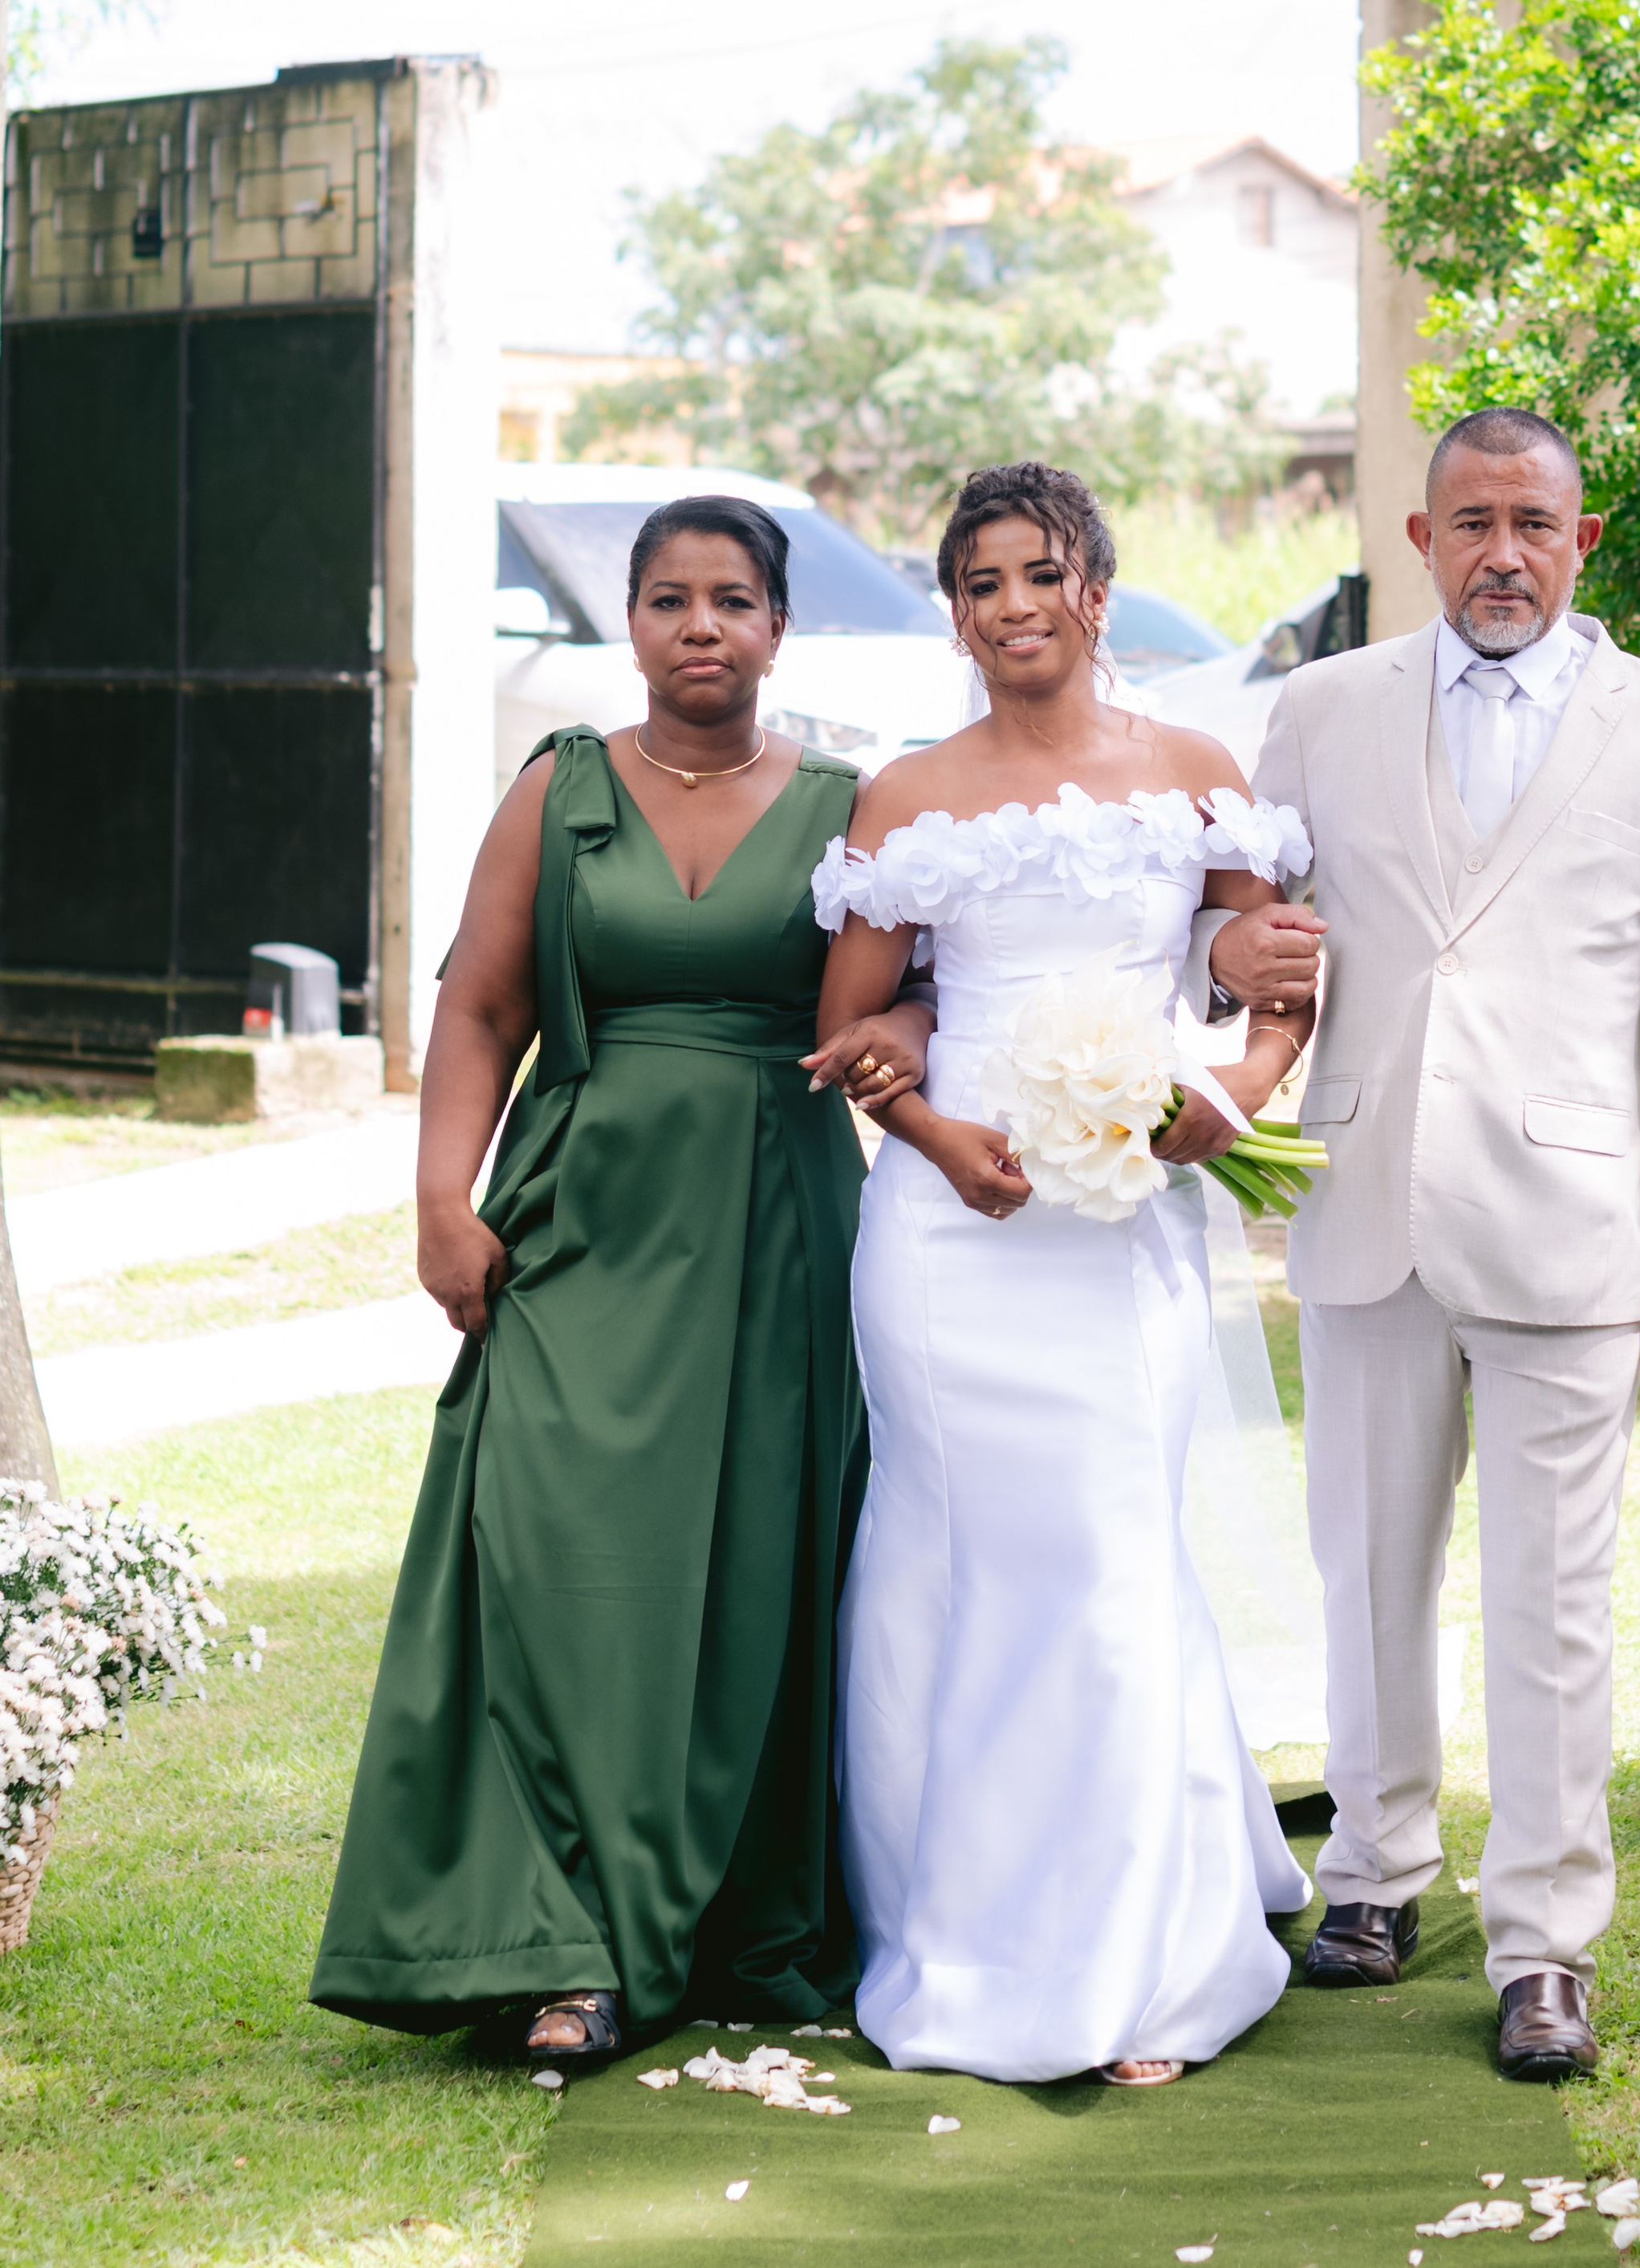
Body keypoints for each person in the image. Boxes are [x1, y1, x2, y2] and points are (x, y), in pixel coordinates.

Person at [311, 495, 931, 2060]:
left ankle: (719, 1920)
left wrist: (903, 1033)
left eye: (730, 599)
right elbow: (478, 1006)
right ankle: (562, 1941)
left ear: (778, 626)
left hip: (779, 1234)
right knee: (553, 1560)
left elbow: (920, 998)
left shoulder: (855, 806)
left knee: (752, 1577)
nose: (699, 625)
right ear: (631, 623)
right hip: (578, 1219)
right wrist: (440, 1201)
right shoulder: (558, 787)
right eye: (667, 599)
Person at [1205, 406, 1640, 2081]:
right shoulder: (1318, 711)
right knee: (1366, 1565)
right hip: (1366, 1195)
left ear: (1581, 541)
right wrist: (1231, 962)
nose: (1500, 554)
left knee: (1553, 1599)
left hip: (1568, 1223)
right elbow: (1248, 930)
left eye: (1531, 524)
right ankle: (1373, 1872)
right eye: (1470, 523)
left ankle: (1543, 1944)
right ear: (1419, 537)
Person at [811, 460, 1317, 2087]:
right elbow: (851, 1030)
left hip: (1122, 1226)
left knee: (1106, 1558)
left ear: (1096, 590)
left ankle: (1138, 1956)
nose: (1014, 605)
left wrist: (1229, 1102)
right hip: (948, 1239)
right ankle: (950, 1928)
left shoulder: (1193, 775)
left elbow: (1278, 983)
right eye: (981, 584)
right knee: (943, 1564)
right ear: (954, 616)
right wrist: (935, 1135)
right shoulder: (902, 796)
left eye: (1042, 574)